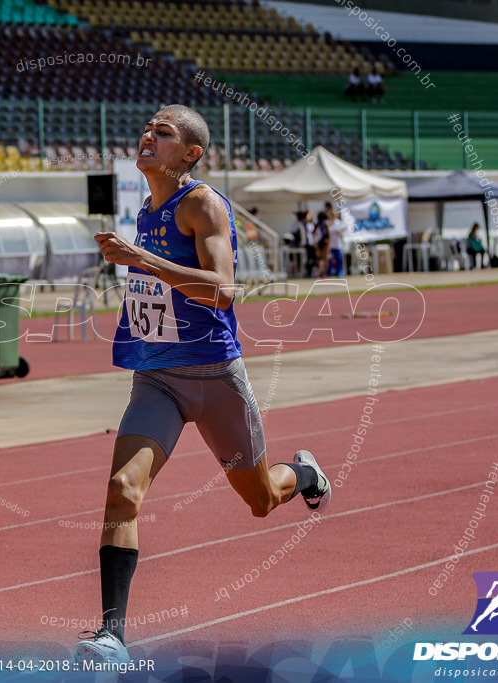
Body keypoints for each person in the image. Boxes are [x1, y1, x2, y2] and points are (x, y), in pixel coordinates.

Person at [77, 105, 331, 664]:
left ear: (190, 153)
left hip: (215, 377)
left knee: (261, 501)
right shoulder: (146, 208)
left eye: (162, 133)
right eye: (146, 128)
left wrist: (140, 258)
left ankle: (306, 472)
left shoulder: (201, 203)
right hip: (157, 380)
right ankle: (112, 636)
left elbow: (222, 290)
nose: (147, 136)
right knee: (122, 490)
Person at [325, 202, 346, 277]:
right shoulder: (328, 223)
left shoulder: (339, 223)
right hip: (331, 246)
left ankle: (339, 273)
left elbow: (341, 233)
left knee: (339, 260)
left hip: (338, 245)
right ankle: (329, 273)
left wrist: (338, 233)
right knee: (330, 260)